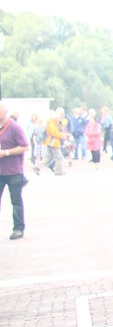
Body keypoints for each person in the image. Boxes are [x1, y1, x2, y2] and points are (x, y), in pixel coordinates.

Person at [0, 102, 30, 240]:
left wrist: (6, 152)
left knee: (16, 201)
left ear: (5, 112)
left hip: (13, 171)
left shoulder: (14, 127)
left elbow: (24, 146)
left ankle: (18, 228)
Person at [35, 110, 66, 176]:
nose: (59, 119)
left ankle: (37, 167)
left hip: (50, 142)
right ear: (55, 118)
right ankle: (58, 171)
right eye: (58, 118)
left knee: (48, 157)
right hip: (53, 142)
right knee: (59, 157)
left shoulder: (50, 123)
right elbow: (53, 133)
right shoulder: (52, 123)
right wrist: (61, 134)